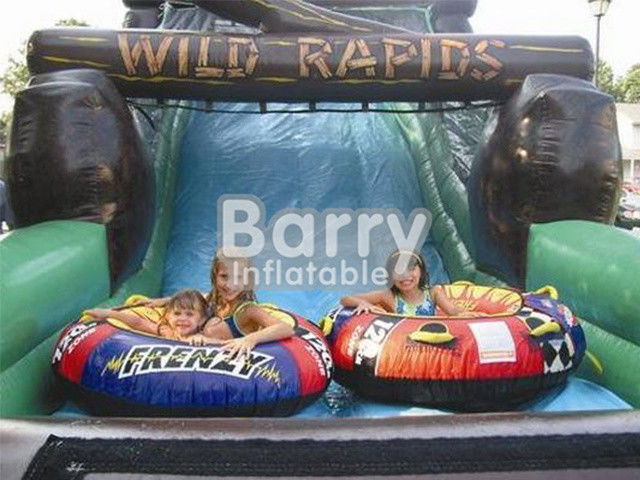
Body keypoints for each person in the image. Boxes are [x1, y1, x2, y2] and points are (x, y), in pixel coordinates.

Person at [138, 248, 295, 358]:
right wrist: (165, 301)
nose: (230, 285)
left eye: (238, 278)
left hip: (225, 360)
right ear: (215, 276)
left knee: (214, 325)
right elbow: (197, 297)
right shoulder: (215, 299)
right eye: (224, 276)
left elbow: (286, 328)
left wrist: (250, 339)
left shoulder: (247, 310)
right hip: (196, 350)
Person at [340, 249, 469, 316]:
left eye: (411, 268)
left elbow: (453, 311)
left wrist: (470, 315)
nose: (405, 275)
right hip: (402, 348)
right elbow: (345, 299)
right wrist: (363, 303)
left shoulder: (433, 293)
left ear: (421, 271)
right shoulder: (388, 296)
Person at [85, 289, 210, 344]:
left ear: (202, 319)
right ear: (168, 316)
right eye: (177, 314)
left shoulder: (204, 335)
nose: (182, 319)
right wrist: (108, 313)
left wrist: (203, 340)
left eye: (189, 314)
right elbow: (139, 322)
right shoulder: (167, 331)